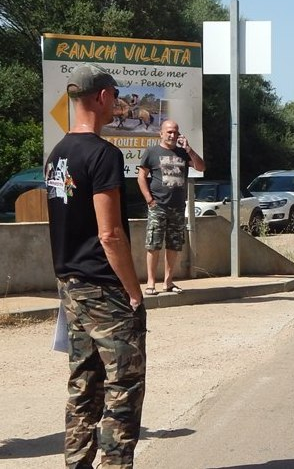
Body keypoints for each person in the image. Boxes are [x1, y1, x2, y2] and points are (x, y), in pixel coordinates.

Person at [45, 63, 146, 468]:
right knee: (123, 388)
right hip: (105, 290)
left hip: (70, 286)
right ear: (102, 97)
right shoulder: (103, 155)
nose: (118, 102)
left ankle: (76, 463)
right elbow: (110, 234)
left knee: (83, 385)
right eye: (116, 95)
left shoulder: (59, 154)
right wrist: (134, 292)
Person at [137, 120, 205, 295]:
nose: (172, 135)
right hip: (158, 206)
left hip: (177, 207)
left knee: (174, 245)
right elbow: (141, 177)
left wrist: (189, 149)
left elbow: (201, 167)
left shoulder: (183, 153)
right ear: (161, 133)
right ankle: (151, 283)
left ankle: (168, 282)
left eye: (175, 132)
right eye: (169, 132)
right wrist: (149, 200)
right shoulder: (152, 152)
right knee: (153, 244)